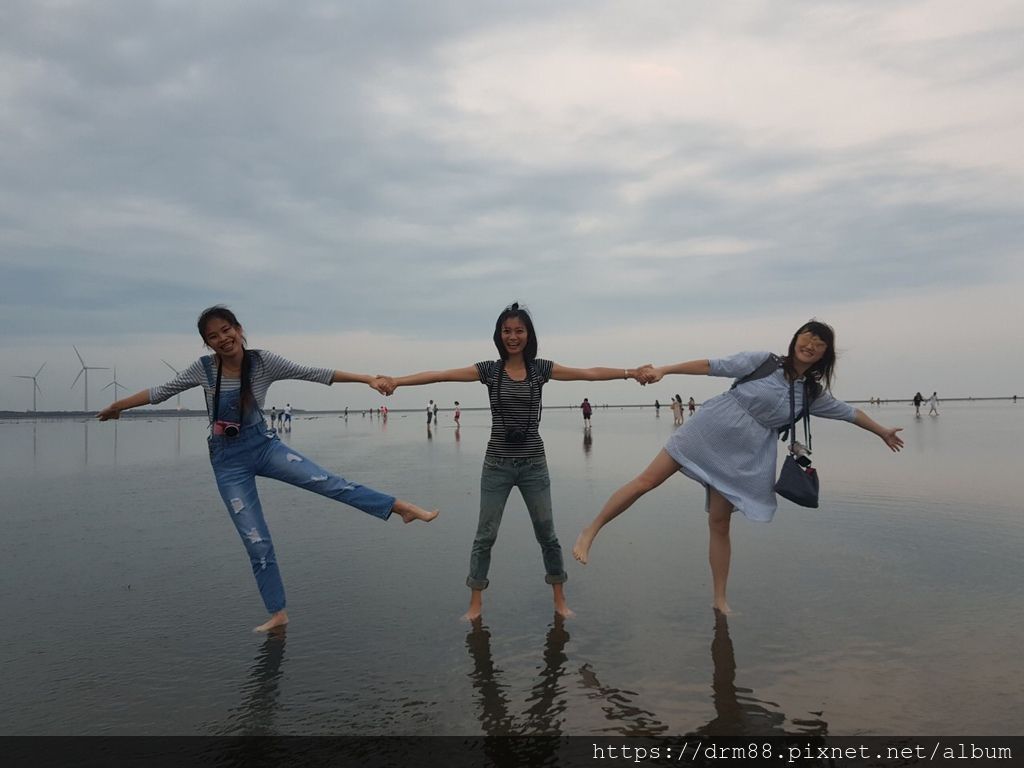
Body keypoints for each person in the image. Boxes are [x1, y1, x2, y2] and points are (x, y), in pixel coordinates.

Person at [96, 305, 438, 633]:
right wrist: (118, 406)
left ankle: (399, 507)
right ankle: (278, 613)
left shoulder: (263, 362)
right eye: (213, 336)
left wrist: (366, 379)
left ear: (239, 330)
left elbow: (314, 373)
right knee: (255, 540)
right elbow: (161, 392)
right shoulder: (203, 368)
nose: (222, 339)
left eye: (226, 330)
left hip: (264, 446)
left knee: (329, 483)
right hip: (227, 462)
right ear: (206, 343)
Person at [573, 320, 904, 615]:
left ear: (824, 356)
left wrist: (882, 431)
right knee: (646, 481)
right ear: (795, 339)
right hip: (707, 431)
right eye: (807, 337)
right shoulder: (762, 361)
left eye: (819, 345)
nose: (810, 346)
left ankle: (719, 598)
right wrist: (665, 370)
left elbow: (849, 412)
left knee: (719, 524)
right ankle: (591, 531)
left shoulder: (811, 394)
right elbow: (712, 365)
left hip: (744, 456)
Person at [379, 302, 648, 621]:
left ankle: (560, 600)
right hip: (497, 464)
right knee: (485, 534)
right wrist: (397, 380)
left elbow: (587, 373)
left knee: (547, 533)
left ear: (528, 334)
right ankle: (475, 605)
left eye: (519, 331)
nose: (513, 336)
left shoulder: (540, 369)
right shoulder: (489, 371)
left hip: (534, 463)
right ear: (499, 335)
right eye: (507, 331)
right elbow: (441, 375)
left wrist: (631, 373)